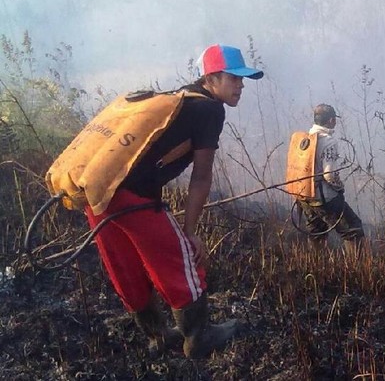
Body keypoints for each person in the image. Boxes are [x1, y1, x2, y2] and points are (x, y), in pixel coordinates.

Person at [83, 44, 263, 358]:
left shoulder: (177, 98)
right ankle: (199, 337)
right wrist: (190, 232)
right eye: (234, 78)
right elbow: (201, 176)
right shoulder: (209, 109)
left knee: (125, 268)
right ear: (211, 77)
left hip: (96, 192)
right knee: (179, 262)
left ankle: (157, 336)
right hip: (132, 196)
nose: (241, 86)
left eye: (243, 80)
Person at [296, 104, 365, 251]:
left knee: (316, 233)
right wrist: (339, 187)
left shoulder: (303, 140)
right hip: (324, 199)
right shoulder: (328, 141)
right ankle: (357, 271)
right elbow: (329, 176)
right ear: (331, 120)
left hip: (304, 197)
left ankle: (315, 269)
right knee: (353, 230)